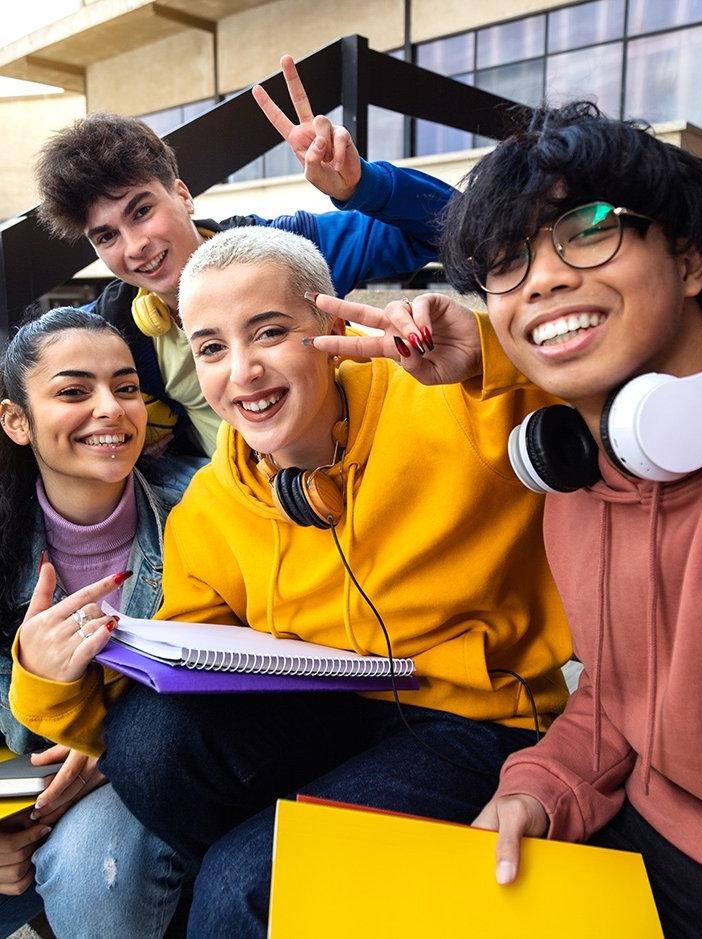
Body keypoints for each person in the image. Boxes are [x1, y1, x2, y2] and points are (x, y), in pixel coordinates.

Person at [10, 225, 572, 936]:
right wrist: (46, 675)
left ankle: (259, 893)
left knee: (242, 888)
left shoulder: (450, 401)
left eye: (269, 332)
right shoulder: (211, 505)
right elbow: (154, 711)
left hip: (472, 722)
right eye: (211, 347)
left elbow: (603, 390)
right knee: (151, 744)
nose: (240, 371)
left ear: (330, 325)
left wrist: (492, 351)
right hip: (330, 717)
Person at [429, 102, 702, 938]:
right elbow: (619, 695)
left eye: (589, 229)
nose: (543, 279)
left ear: (691, 260)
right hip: (644, 849)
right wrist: (540, 787)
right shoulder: (575, 480)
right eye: (506, 260)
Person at [35, 55, 454, 462]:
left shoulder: (287, 250)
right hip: (229, 504)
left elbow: (453, 226)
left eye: (141, 212)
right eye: (106, 236)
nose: (133, 246)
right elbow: (29, 362)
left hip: (357, 467)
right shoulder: (116, 325)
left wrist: (363, 186)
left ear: (183, 195)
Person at [0, 307, 186, 937]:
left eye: (126, 387)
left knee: (92, 869)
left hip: (161, 767)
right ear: (16, 421)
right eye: (74, 391)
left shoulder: (201, 509)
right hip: (25, 787)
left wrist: (117, 745)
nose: (111, 408)